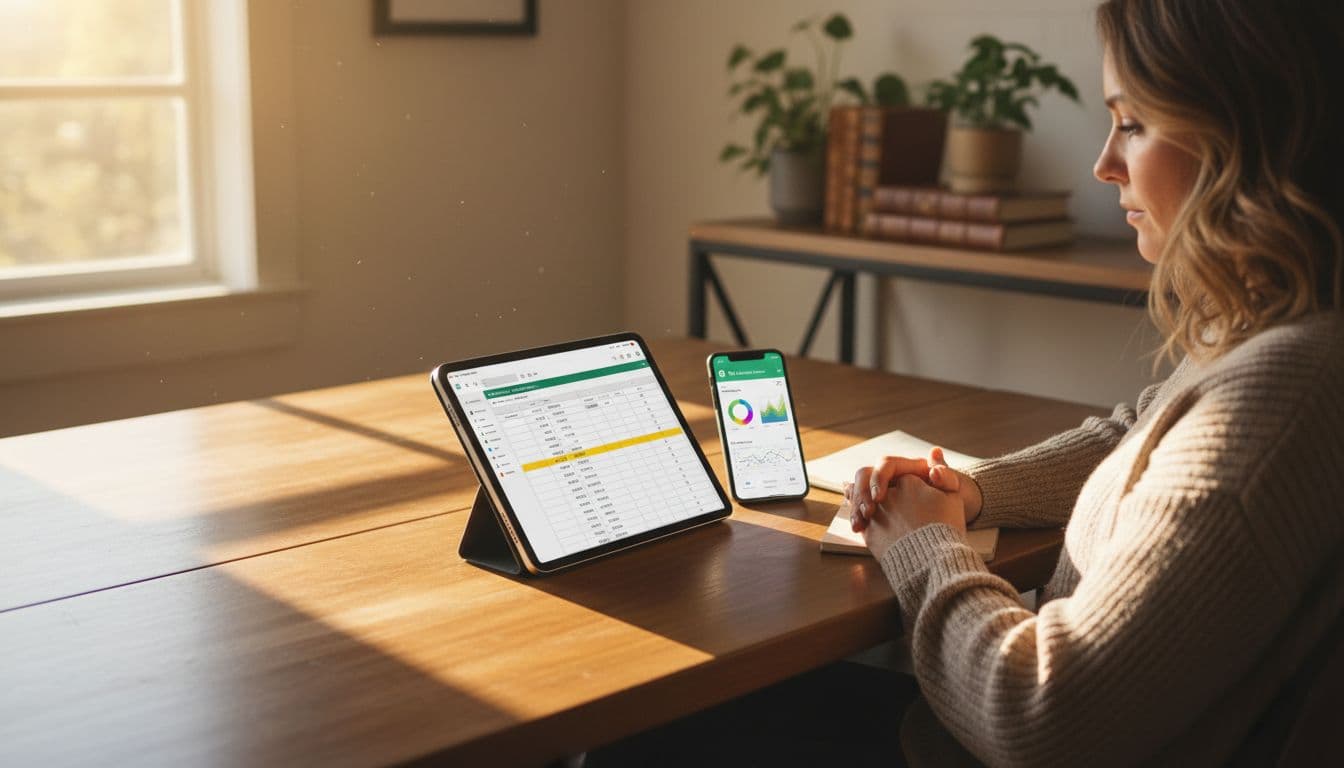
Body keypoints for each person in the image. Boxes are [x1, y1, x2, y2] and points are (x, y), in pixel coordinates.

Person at [841, 0, 1344, 764]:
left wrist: (928, 544)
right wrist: (972, 489)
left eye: (1132, 123)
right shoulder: (1273, 323)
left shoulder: (1284, 396)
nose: (1104, 163)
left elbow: (1042, 714)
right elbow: (1140, 433)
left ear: (1243, 133)